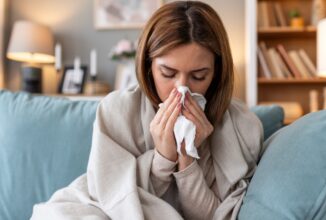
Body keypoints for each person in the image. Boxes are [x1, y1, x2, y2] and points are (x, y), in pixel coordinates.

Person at [31, 1, 263, 219]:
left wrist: (187, 158)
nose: (181, 89)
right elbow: (111, 199)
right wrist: (162, 158)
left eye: (199, 76)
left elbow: (213, 215)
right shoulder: (117, 109)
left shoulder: (242, 125)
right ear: (148, 65)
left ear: (216, 73)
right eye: (168, 73)